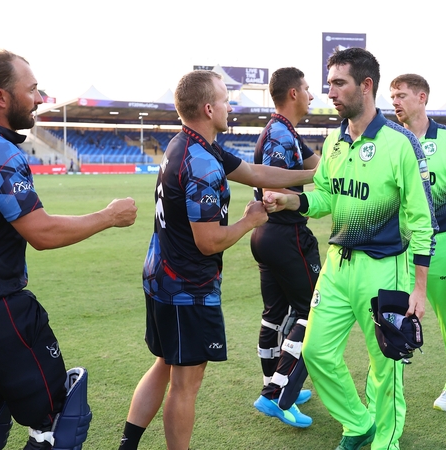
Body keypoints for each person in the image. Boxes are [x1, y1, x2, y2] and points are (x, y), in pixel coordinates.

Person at [0, 50, 138, 450]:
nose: (40, 98)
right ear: (1, 97)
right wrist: (109, 216)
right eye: (32, 89)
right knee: (61, 419)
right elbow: (40, 233)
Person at [118, 70, 316, 450]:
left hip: (160, 276)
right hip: (186, 287)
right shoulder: (202, 162)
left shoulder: (188, 144)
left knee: (163, 363)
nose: (231, 106)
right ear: (209, 108)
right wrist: (248, 221)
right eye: (226, 100)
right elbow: (209, 242)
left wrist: (314, 175)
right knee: (186, 382)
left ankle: (128, 444)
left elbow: (255, 172)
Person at [263, 48, 436, 450]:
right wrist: (296, 201)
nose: (331, 93)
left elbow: (422, 221)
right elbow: (326, 197)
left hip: (385, 268)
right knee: (317, 352)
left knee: (386, 365)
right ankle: (358, 424)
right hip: (337, 267)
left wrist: (420, 287)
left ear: (366, 85)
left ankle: (385, 443)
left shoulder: (400, 143)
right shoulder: (334, 142)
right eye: (329, 85)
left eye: (339, 83)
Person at [389, 73, 446, 412]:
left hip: (444, 244)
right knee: (391, 317)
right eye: (392, 95)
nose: (395, 101)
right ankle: (386, 389)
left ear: (422, 97)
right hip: (400, 247)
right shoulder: (391, 140)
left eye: (401, 95)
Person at [249, 67, 321, 428]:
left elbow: (320, 168)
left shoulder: (286, 131)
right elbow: (273, 193)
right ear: (293, 93)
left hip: (268, 237)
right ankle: (277, 393)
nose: (312, 94)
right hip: (285, 235)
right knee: (315, 311)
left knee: (274, 314)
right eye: (307, 88)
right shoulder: (279, 134)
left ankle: (271, 382)